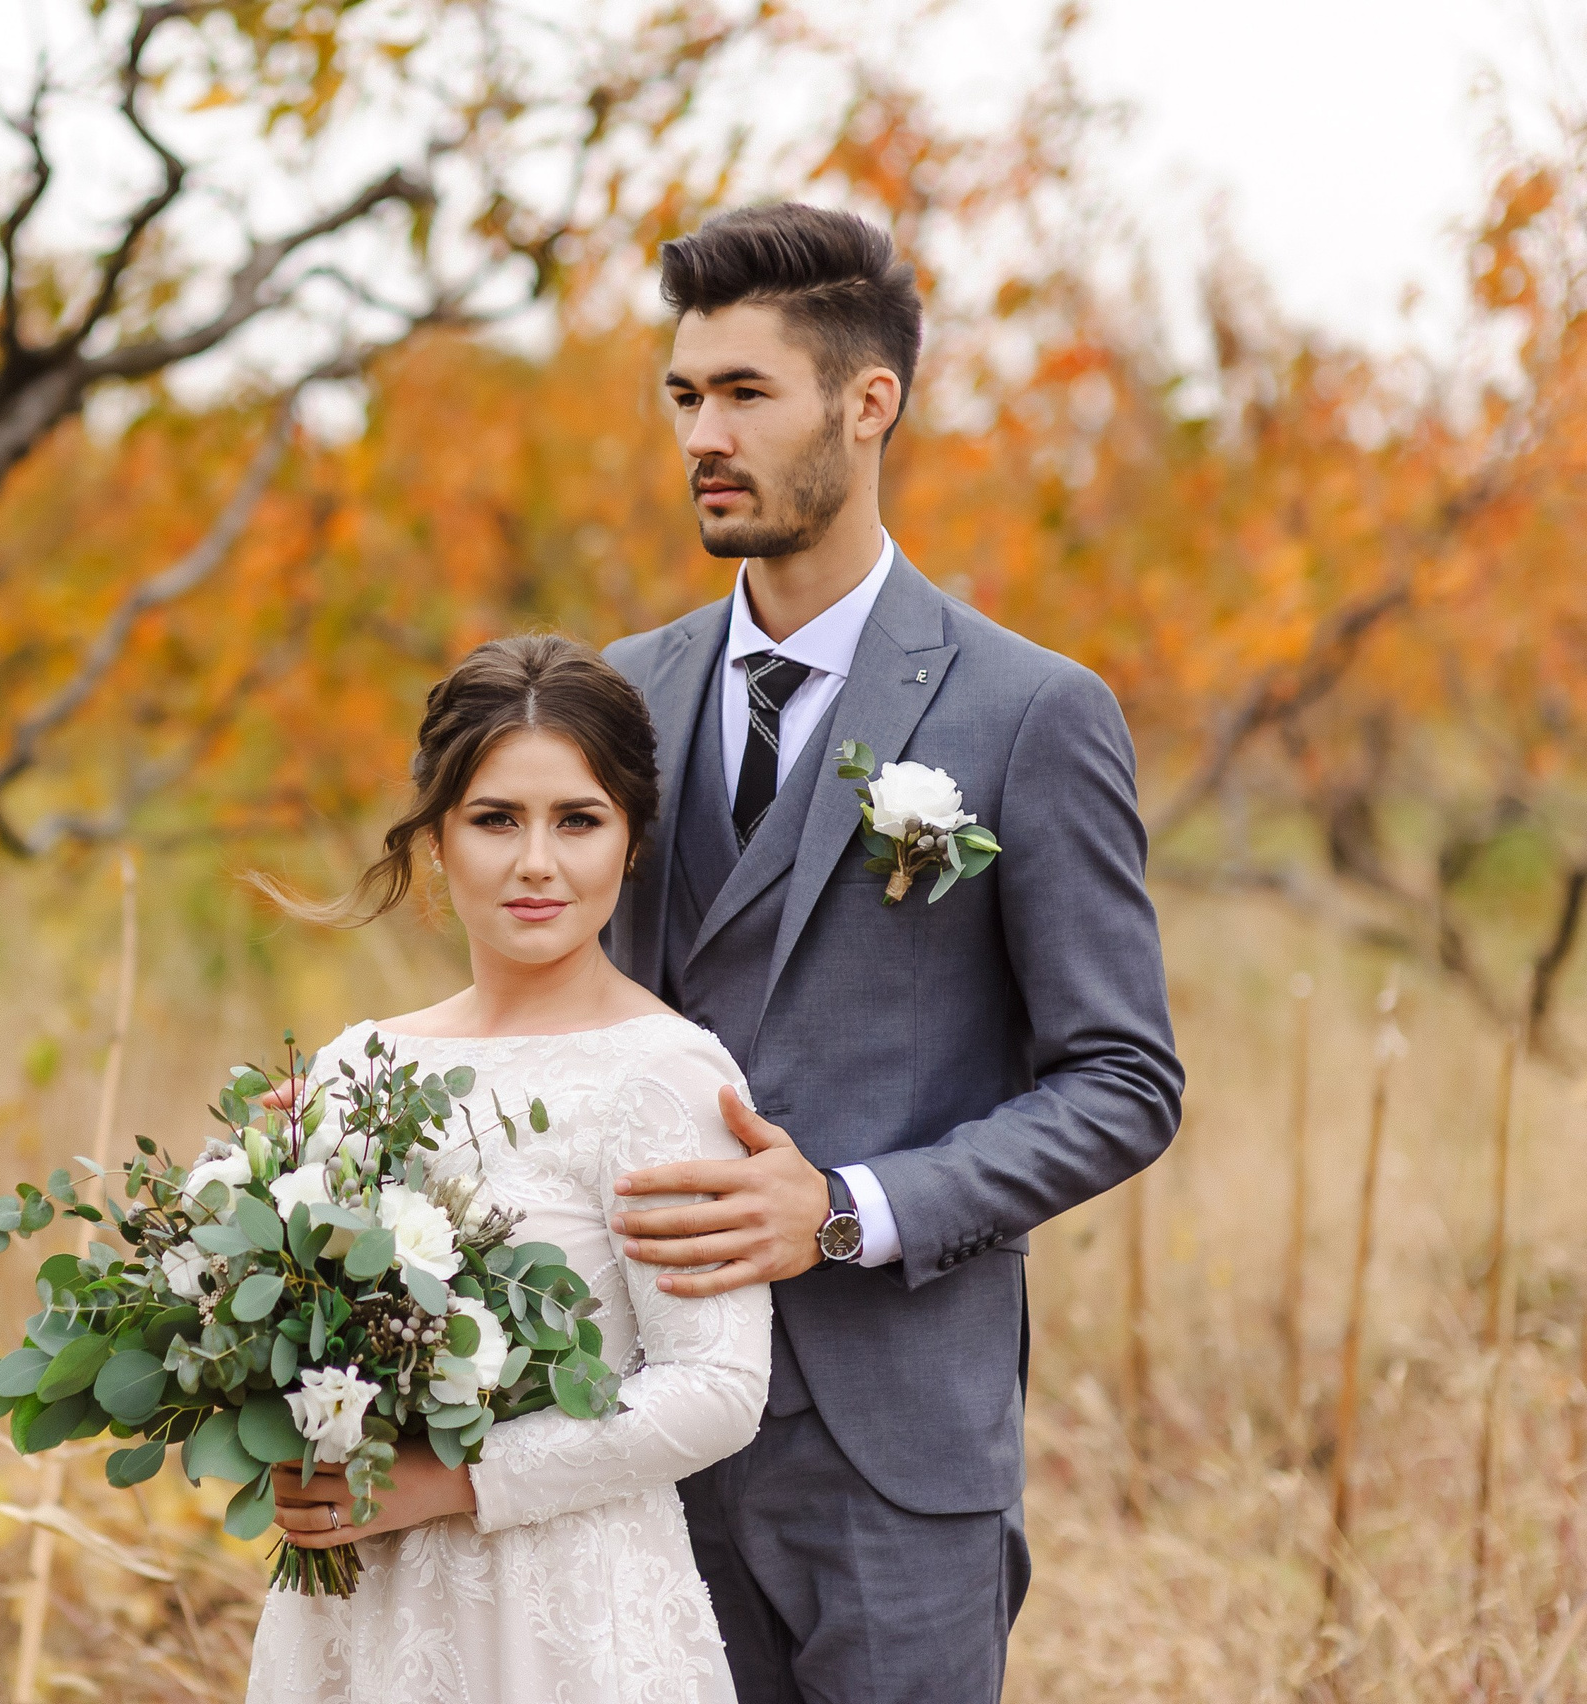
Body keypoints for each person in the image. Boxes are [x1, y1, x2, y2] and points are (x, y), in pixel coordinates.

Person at [600, 202, 1185, 1702]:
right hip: (633, 1420)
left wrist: (848, 1211)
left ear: (869, 404)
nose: (703, 437)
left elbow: (1123, 1082)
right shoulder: (617, 699)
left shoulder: (1027, 710)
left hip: (893, 1454)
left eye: (746, 393)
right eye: (685, 395)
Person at [245, 634, 773, 1704]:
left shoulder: (662, 1074)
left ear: (630, 843)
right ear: (437, 838)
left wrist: (450, 1484)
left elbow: (716, 1390)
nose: (537, 862)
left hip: (563, 1616)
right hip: (358, 1614)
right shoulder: (355, 1067)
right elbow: (287, 1339)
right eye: (495, 819)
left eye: (577, 820)